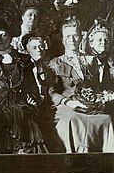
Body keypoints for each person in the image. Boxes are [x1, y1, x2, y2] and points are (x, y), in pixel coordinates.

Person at [0, 12, 48, 154]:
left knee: (24, 114)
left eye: (4, 35)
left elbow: (31, 86)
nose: (0, 39)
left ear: (10, 37)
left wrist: (31, 97)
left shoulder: (23, 60)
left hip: (20, 104)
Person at [48, 19, 114, 152]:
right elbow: (51, 91)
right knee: (73, 119)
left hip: (89, 105)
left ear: (81, 37)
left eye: (75, 35)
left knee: (107, 119)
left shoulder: (91, 60)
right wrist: (68, 102)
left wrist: (102, 97)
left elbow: (97, 86)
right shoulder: (56, 62)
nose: (72, 39)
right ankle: (79, 160)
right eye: (68, 36)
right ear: (62, 39)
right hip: (67, 106)